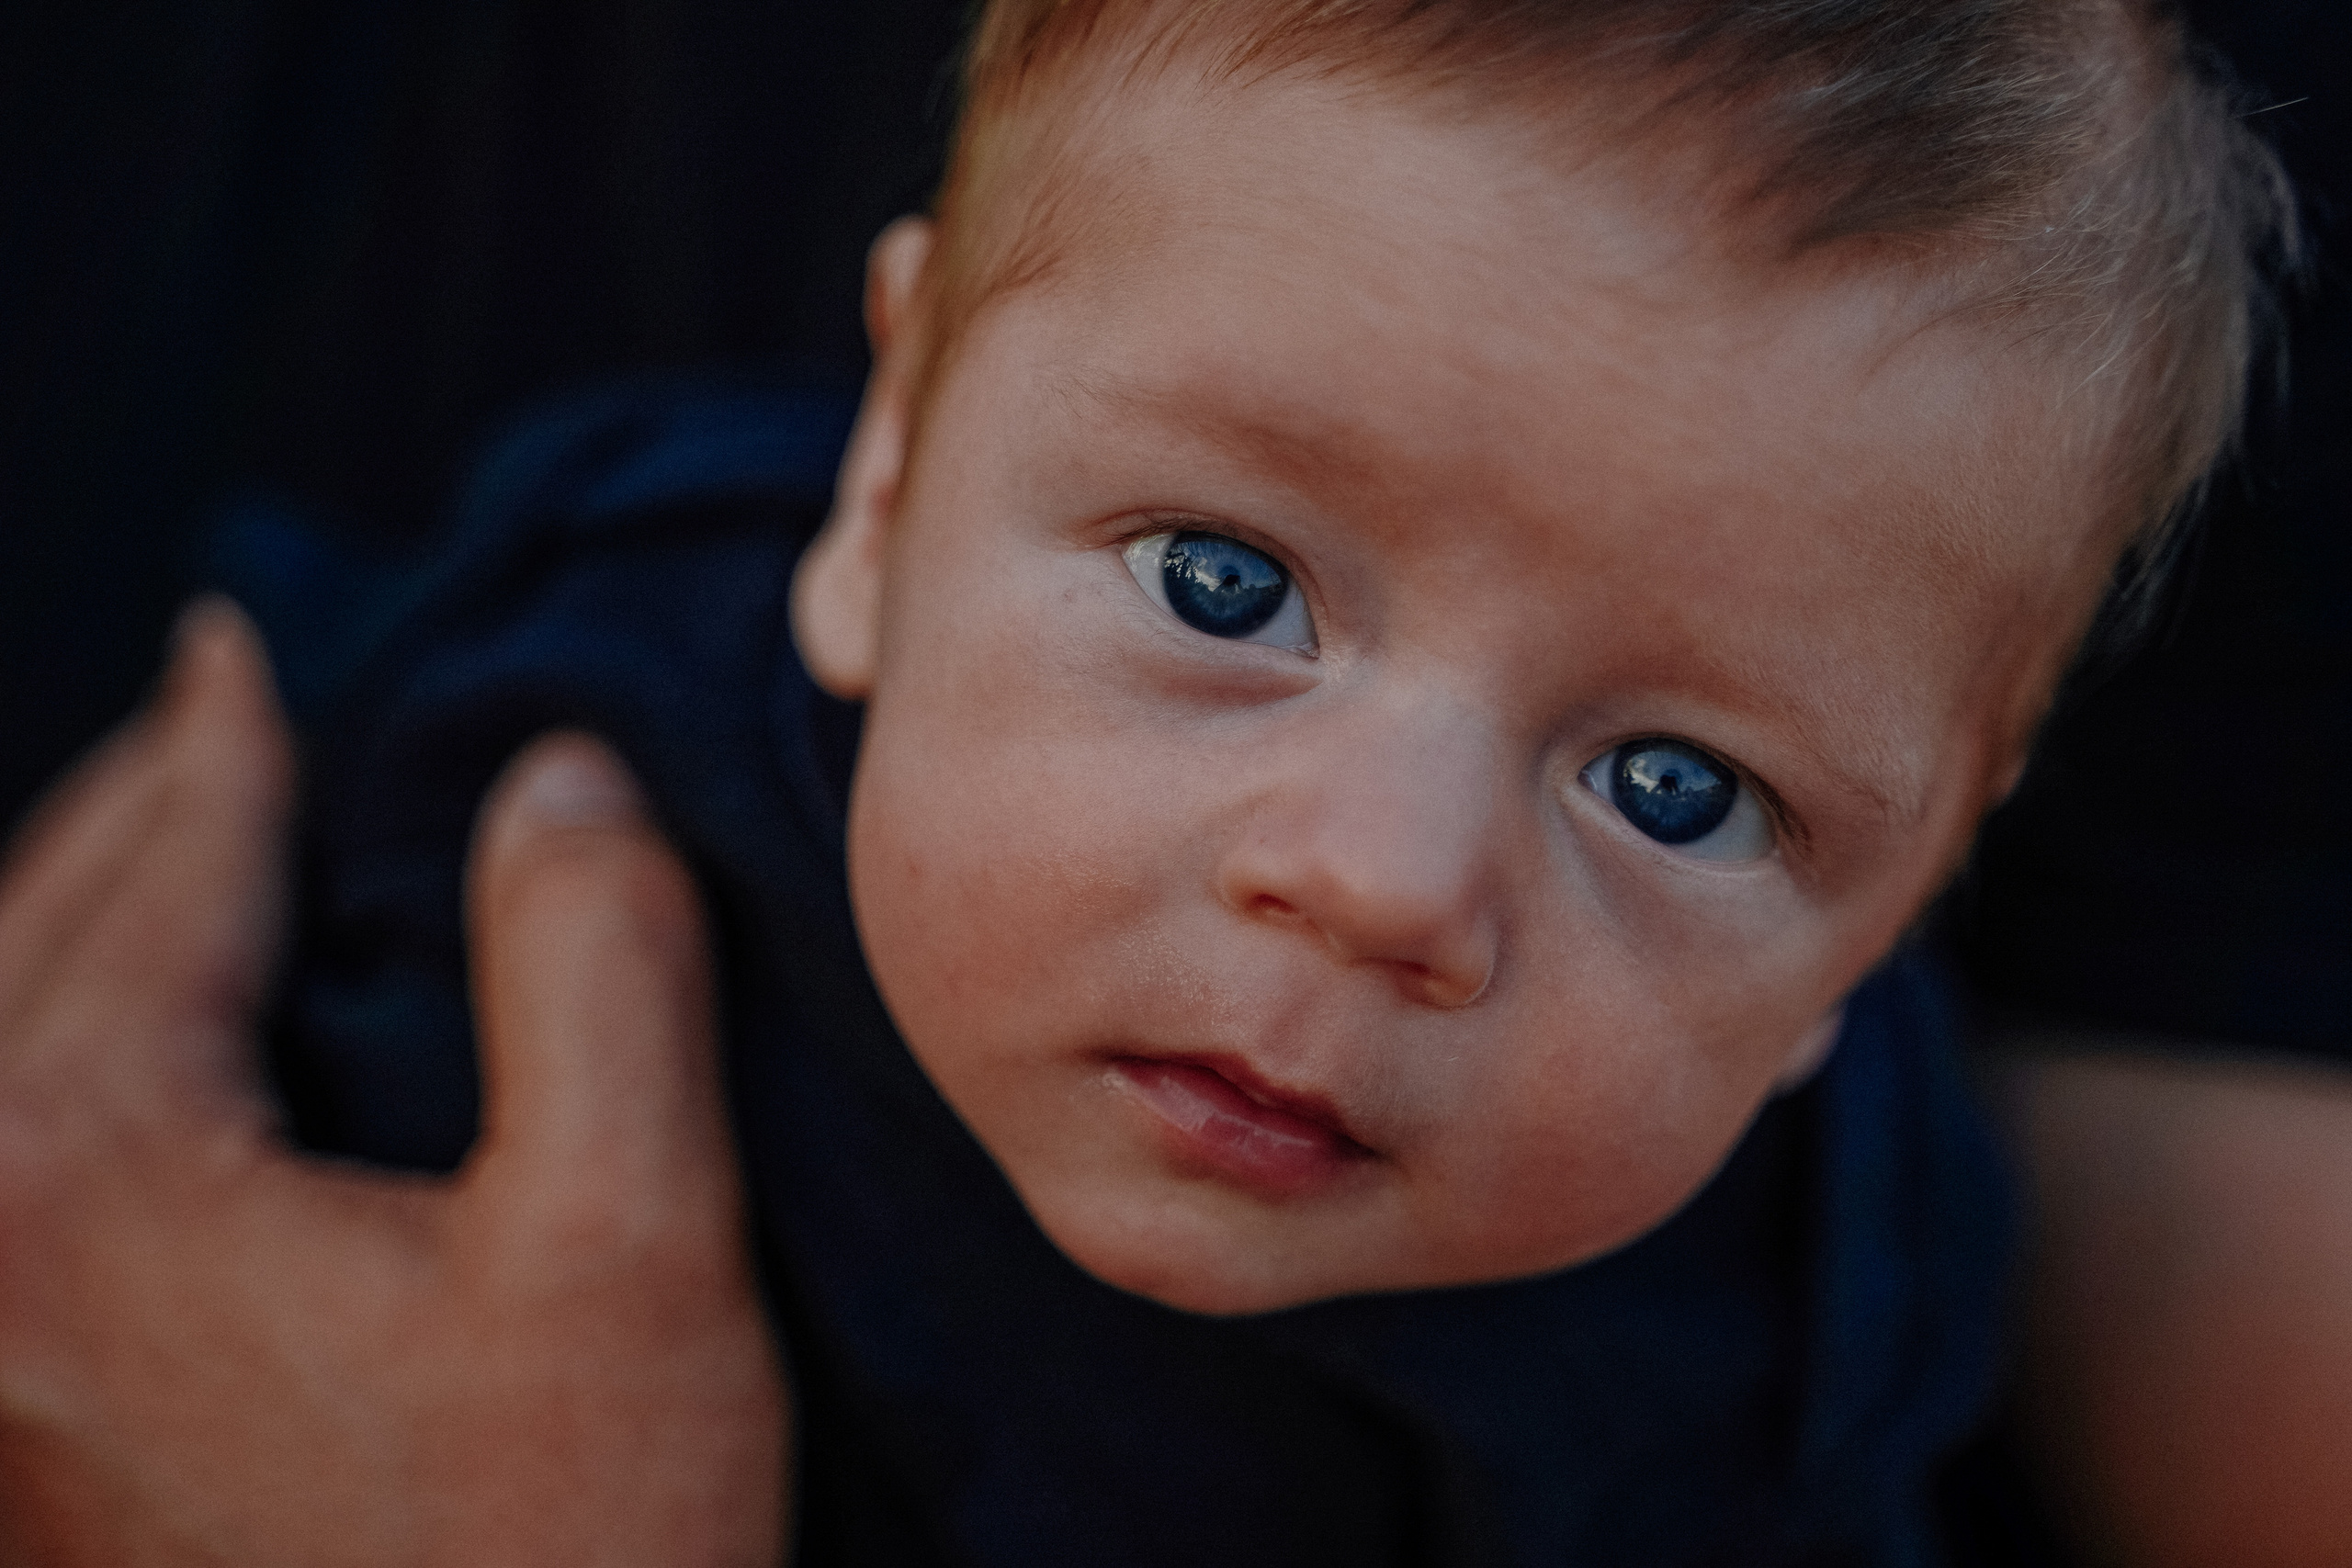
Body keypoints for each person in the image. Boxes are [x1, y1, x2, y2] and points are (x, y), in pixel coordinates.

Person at [0, 0, 2302, 1562]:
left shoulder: (1788, 1345)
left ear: (1893, 905)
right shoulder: (552, 722)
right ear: (884, 487)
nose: (1384, 880)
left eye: (1680, 790)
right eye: (1222, 585)